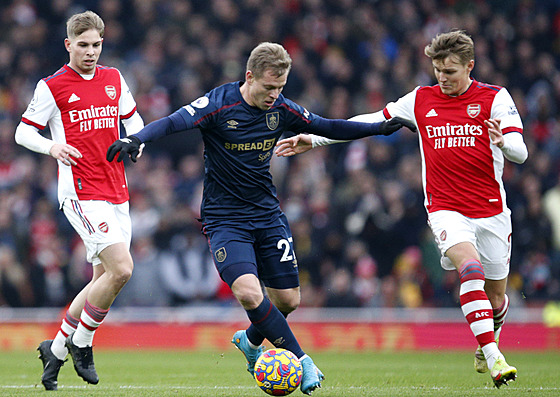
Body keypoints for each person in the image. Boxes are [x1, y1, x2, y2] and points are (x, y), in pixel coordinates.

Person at [107, 41, 415, 395]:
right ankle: (302, 359)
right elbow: (172, 122)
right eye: (269, 87)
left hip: (267, 214)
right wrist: (136, 138)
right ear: (249, 76)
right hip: (225, 219)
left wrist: (378, 127)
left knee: (287, 301)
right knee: (250, 294)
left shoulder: (281, 109)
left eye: (280, 87)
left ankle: (251, 342)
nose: (274, 95)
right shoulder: (219, 105)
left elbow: (329, 126)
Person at [275, 30, 527, 388]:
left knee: (497, 296)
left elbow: (521, 150)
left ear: (470, 66)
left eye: (451, 71)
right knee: (469, 268)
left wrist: (505, 142)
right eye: (438, 70)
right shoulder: (421, 100)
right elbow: (370, 121)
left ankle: (490, 335)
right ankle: (494, 356)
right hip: (446, 210)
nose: (443, 77)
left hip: (491, 211)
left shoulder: (495, 99)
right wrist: (314, 139)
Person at [15, 11, 145, 390]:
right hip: (80, 193)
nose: (91, 52)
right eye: (83, 45)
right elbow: (24, 132)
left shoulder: (114, 78)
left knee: (103, 278)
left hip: (116, 190)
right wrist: (53, 146)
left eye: (97, 45)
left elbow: (134, 123)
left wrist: (134, 143)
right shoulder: (52, 86)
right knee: (122, 269)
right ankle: (82, 344)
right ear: (69, 44)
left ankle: (54, 350)